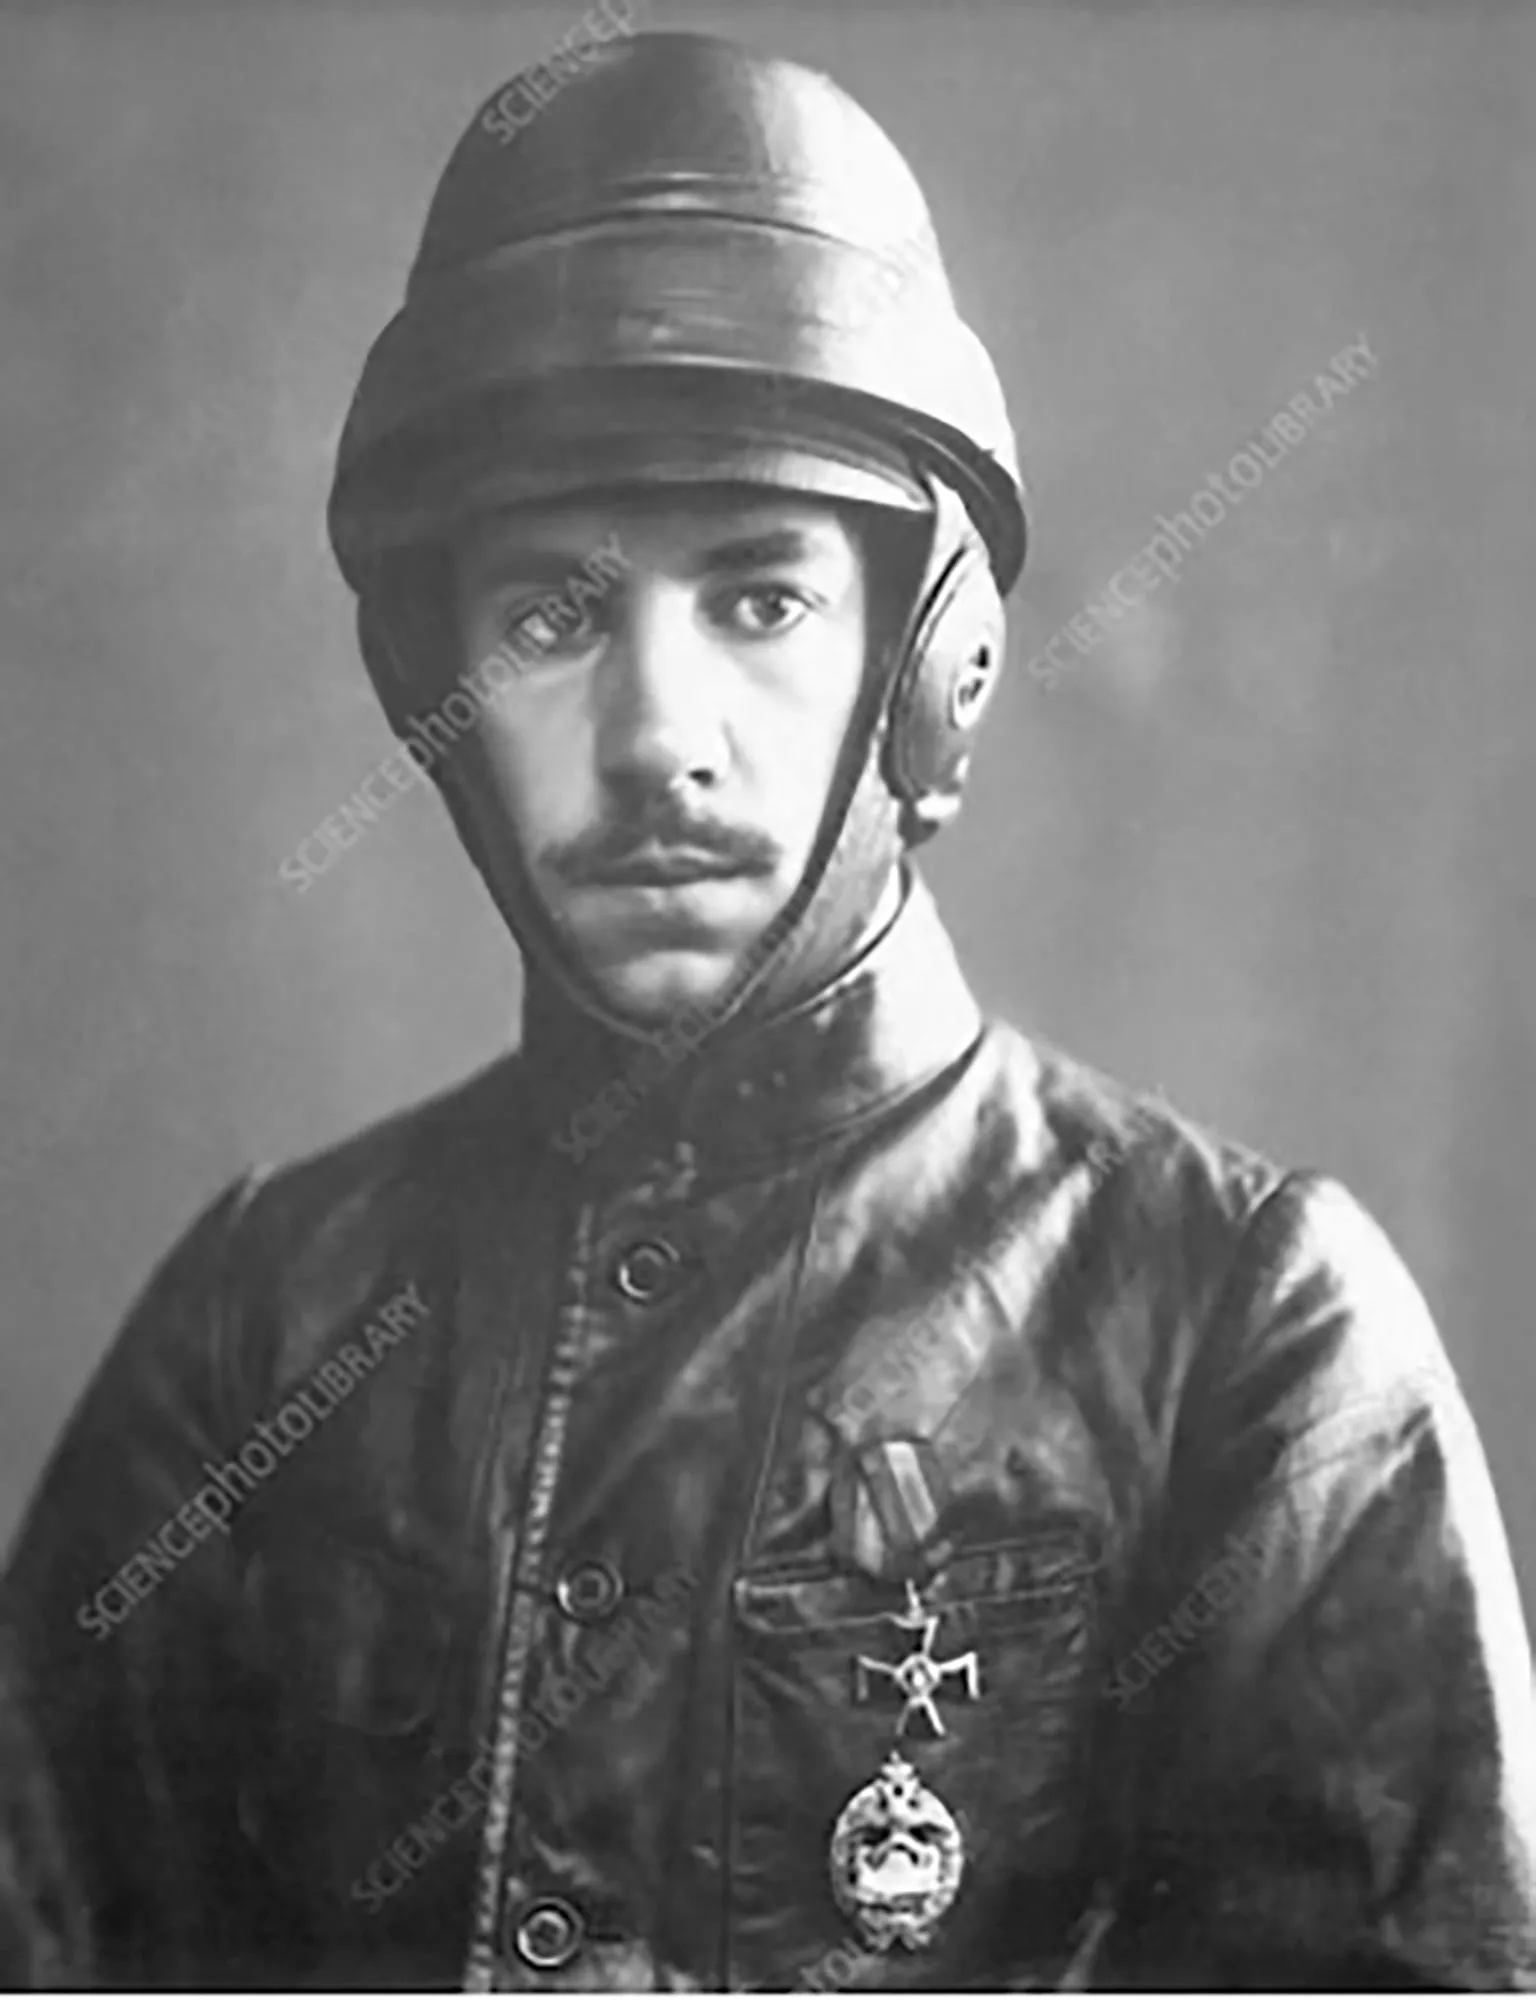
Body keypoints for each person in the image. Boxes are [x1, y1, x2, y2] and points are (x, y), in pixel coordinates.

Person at [6, 27, 1535, 1991]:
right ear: (434, 690)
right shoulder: (258, 1331)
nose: (656, 741)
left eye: (758, 596)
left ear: (929, 667)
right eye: (551, 616)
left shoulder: (1247, 1336)